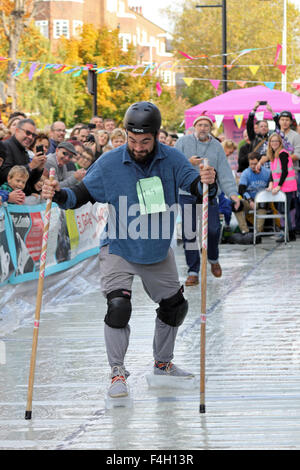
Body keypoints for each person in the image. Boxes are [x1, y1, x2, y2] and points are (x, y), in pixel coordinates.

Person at [41, 101, 217, 400]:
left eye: (145, 141)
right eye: (133, 140)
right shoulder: (110, 163)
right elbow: (78, 197)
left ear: (156, 135)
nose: (138, 146)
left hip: (157, 246)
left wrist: (207, 184)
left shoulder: (173, 159)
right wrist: (56, 194)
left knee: (175, 307)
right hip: (119, 245)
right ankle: (117, 371)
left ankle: (162, 364)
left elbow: (197, 190)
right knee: (119, 306)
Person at [175, 115, 240, 285]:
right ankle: (193, 270)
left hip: (209, 193)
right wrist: (188, 162)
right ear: (194, 126)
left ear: (210, 128)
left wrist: (233, 194)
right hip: (187, 193)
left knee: (213, 229)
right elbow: (174, 165)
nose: (203, 128)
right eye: (200, 125)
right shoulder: (182, 143)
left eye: (206, 125)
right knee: (189, 233)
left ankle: (212, 258)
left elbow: (225, 171)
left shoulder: (217, 146)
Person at [232, 152, 271, 242]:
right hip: (249, 201)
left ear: (260, 163)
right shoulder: (246, 173)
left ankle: (257, 232)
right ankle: (245, 232)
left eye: (255, 164)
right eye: (251, 164)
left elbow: (271, 187)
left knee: (263, 204)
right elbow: (241, 190)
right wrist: (250, 200)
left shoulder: (267, 173)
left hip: (262, 201)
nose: (253, 166)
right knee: (236, 204)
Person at [0, 118, 45, 195]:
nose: (30, 137)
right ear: (17, 131)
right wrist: (30, 166)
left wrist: (38, 168)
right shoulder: (4, 146)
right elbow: (4, 176)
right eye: (27, 133)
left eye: (33, 135)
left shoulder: (24, 152)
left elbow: (28, 183)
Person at [266, 132, 297, 242]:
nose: (274, 143)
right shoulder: (273, 155)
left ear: (280, 142)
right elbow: (273, 173)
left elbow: (284, 171)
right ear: (269, 143)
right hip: (280, 187)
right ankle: (289, 233)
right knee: (281, 210)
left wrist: (278, 185)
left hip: (286, 186)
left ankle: (289, 234)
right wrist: (270, 183)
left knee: (285, 210)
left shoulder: (283, 153)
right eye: (272, 141)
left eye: (276, 141)